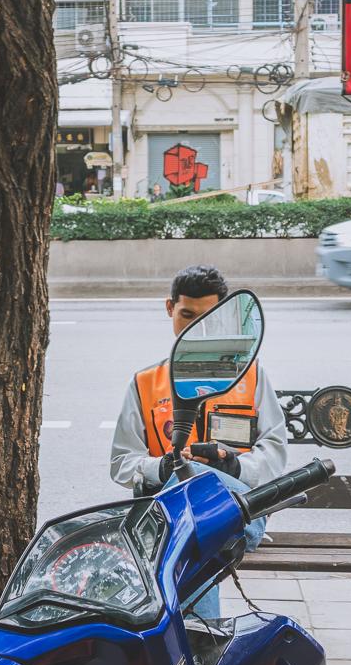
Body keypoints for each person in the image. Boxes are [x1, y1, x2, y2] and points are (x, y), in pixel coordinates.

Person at [110, 265, 291, 620]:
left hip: (237, 513)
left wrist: (233, 465)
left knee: (191, 507)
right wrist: (163, 465)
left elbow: (274, 451)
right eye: (187, 315)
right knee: (192, 519)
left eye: (208, 318)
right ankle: (203, 638)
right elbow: (121, 464)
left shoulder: (250, 376)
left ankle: (194, 640)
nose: (195, 327)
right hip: (175, 517)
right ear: (169, 309)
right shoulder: (146, 382)